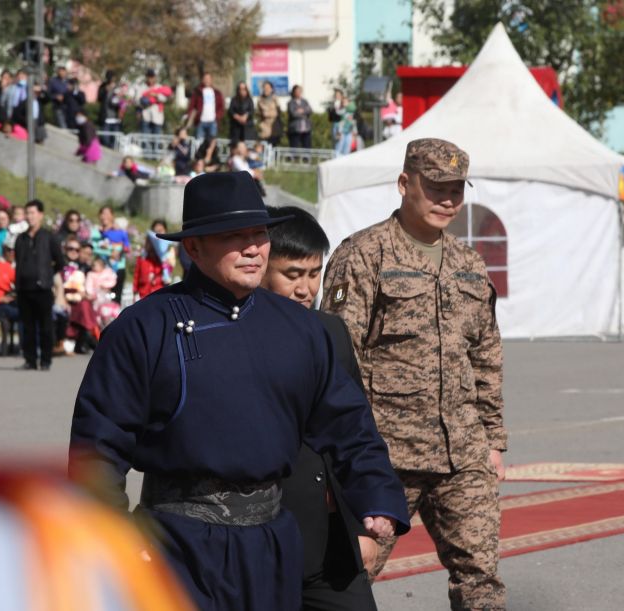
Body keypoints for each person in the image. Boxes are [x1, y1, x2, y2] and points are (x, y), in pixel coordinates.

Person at [69, 171, 409, 611]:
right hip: (177, 543)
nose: (253, 248)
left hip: (272, 542)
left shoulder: (300, 329)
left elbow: (348, 424)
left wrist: (376, 494)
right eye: (233, 236)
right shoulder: (143, 329)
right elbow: (97, 450)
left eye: (259, 234)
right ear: (193, 247)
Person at [322, 138, 507, 611]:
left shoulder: (468, 263)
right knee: (347, 570)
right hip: (386, 453)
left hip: (462, 453)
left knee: (480, 579)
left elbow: (485, 355)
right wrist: (347, 449)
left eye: (456, 191)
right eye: (436, 187)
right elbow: (338, 356)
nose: (447, 200)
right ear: (405, 183)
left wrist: (493, 440)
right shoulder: (364, 255)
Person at [262, 206, 380, 611]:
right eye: (292, 275)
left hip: (333, 539)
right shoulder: (232, 336)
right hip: (266, 533)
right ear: (260, 266)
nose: (305, 288)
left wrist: (362, 527)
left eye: (314, 274)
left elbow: (356, 432)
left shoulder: (332, 331)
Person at [14, 199, 65, 371]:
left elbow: (59, 261)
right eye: (27, 213)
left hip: (43, 288)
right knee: (27, 327)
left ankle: (45, 360)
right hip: (24, 288)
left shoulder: (49, 237)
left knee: (45, 326)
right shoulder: (21, 238)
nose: (29, 217)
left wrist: (47, 276)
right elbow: (17, 260)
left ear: (41, 215)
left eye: (32, 213)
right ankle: (30, 360)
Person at [92, 205, 130, 304]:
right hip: (100, 271)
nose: (105, 216)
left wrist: (119, 251)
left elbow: (127, 248)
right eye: (102, 213)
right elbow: (94, 248)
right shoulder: (96, 233)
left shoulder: (120, 232)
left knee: (115, 301)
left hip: (118, 269)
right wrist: (110, 252)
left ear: (112, 216)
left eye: (108, 214)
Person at [86, 257, 121, 329]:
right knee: (96, 310)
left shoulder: (107, 272)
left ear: (102, 266)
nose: (93, 267)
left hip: (106, 295)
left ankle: (108, 322)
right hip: (96, 296)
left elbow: (112, 281)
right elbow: (88, 285)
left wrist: (104, 285)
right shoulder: (91, 274)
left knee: (107, 309)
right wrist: (91, 293)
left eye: (95, 265)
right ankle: (97, 325)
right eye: (92, 265)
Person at [186, 72, 224, 140]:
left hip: (213, 122)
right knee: (199, 142)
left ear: (211, 80)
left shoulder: (217, 93)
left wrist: (217, 116)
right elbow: (192, 106)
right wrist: (191, 116)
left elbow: (221, 107)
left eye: (208, 78)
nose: (207, 80)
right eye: (205, 78)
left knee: (211, 143)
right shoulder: (198, 92)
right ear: (202, 80)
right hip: (200, 121)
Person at [133, 232, 167, 301]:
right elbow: (136, 275)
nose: (150, 247)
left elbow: (165, 277)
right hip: (143, 293)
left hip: (157, 294)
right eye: (148, 243)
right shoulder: (142, 259)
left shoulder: (162, 261)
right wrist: (135, 291)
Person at [138, 69, 172, 135]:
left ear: (155, 77)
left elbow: (164, 99)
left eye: (152, 77)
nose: (150, 79)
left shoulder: (159, 87)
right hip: (145, 117)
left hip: (157, 117)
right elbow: (138, 100)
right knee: (145, 139)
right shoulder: (142, 87)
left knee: (156, 139)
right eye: (149, 77)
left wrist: (155, 95)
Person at [256, 80, 282, 146]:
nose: (266, 89)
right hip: (264, 126)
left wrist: (269, 113)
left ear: (271, 89)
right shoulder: (260, 100)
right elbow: (258, 113)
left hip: (274, 127)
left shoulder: (275, 99)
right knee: (264, 146)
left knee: (274, 146)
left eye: (268, 88)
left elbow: (278, 112)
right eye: (264, 88)